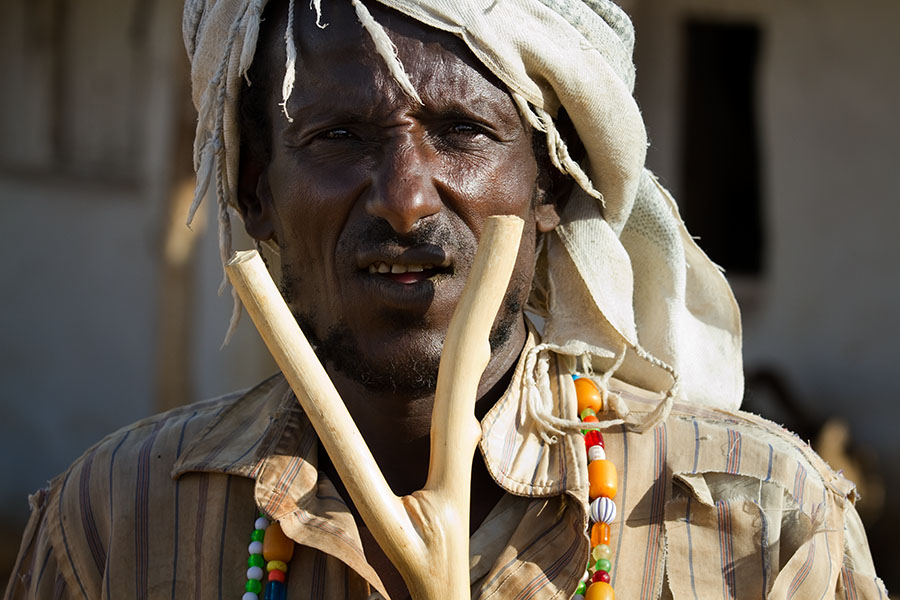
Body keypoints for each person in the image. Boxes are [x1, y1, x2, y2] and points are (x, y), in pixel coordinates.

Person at [4, 0, 887, 599]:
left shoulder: (761, 523)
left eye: (462, 132)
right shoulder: (113, 523)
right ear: (255, 188)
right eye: (338, 135)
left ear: (551, 183)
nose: (404, 199)